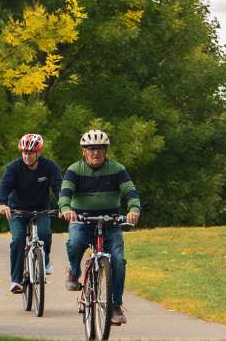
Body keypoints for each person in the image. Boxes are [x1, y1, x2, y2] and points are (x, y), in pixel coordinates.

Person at [60, 128, 141, 326]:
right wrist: (65, 208)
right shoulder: (75, 169)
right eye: (91, 148)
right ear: (83, 151)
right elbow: (65, 193)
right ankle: (73, 271)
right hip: (82, 220)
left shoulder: (117, 169)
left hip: (110, 222)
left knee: (118, 260)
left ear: (106, 151)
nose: (95, 152)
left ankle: (115, 306)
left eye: (100, 149)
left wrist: (134, 209)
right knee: (75, 242)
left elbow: (130, 191)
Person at [0, 133, 63, 295]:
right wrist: (2, 203)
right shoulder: (13, 168)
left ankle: (45, 261)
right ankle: (16, 280)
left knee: (45, 233)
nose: (27, 156)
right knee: (18, 239)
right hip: (18, 210)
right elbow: (4, 186)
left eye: (30, 153)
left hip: (41, 209)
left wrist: (64, 204)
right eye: (24, 152)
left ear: (38, 153)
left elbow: (59, 187)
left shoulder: (49, 167)